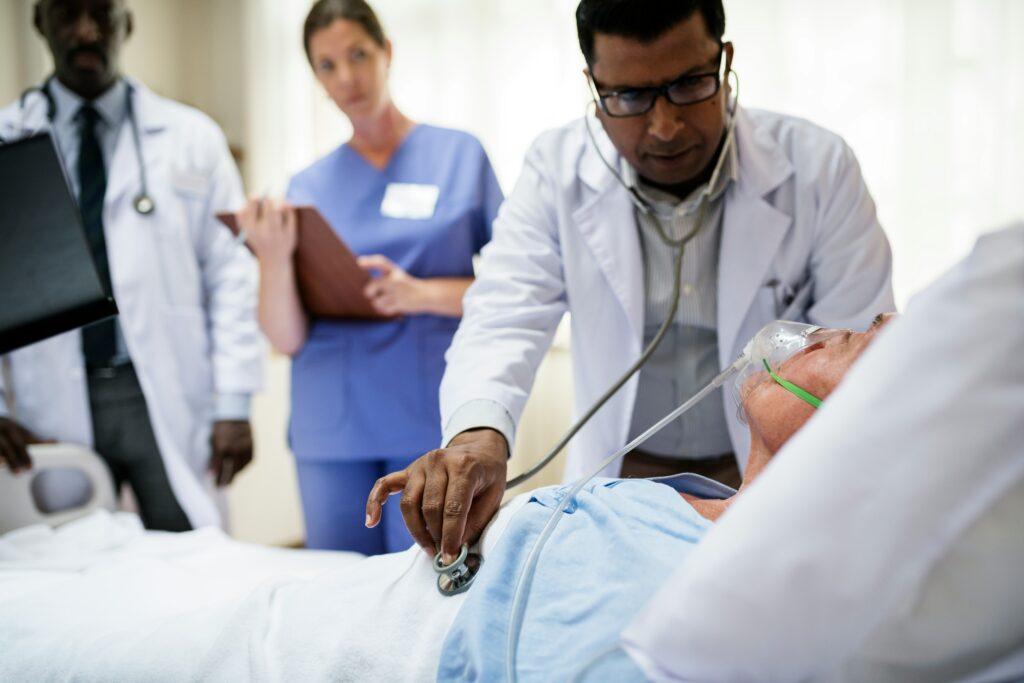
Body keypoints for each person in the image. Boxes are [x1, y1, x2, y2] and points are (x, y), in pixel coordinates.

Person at [0, 314, 895, 682]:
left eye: (860, 340)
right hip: (336, 597)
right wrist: (476, 435)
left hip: (324, 649)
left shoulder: (762, 615)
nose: (820, 327)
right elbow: (505, 308)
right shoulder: (702, 513)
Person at [367, 0, 896, 566]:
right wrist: (476, 437)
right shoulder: (556, 170)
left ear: (725, 62)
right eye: (630, 97)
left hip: (767, 477)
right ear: (594, 91)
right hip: (620, 479)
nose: (665, 126)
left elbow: (854, 369)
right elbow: (503, 314)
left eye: (691, 83)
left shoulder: (818, 169)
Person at [237, 0, 502, 554]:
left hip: (427, 413)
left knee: (426, 582)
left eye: (358, 54)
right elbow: (285, 336)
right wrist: (271, 257)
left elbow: (518, 289)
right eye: (327, 65)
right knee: (337, 591)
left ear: (387, 52)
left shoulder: (459, 156)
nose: (348, 77)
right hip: (331, 421)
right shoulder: (305, 187)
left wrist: (420, 293)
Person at [0, 0, 262, 531]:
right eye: (67, 15)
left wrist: (234, 399)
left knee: (189, 554)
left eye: (102, 14)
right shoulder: (7, 140)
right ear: (39, 24)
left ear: (128, 23)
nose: (85, 31)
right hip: (46, 397)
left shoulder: (192, 138)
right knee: (68, 569)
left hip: (161, 389)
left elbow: (230, 273)